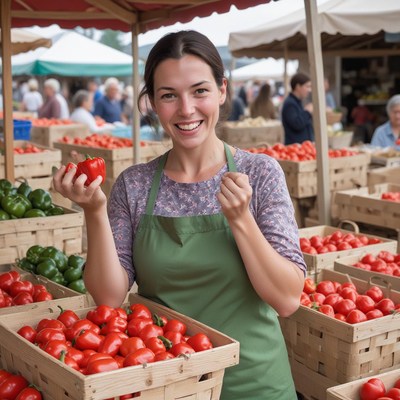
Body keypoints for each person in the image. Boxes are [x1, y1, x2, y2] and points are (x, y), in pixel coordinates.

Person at [53, 30, 306, 400]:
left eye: (200, 91)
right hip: (168, 385)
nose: (186, 109)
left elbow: (287, 299)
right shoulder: (134, 185)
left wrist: (240, 219)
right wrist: (94, 210)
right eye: (169, 95)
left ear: (222, 90)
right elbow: (108, 298)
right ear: (152, 103)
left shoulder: (261, 173)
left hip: (256, 383)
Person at [281, 73, 314, 145]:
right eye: (307, 86)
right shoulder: (290, 104)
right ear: (298, 86)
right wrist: (307, 112)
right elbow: (297, 124)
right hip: (295, 148)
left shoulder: (297, 102)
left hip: (302, 147)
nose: (309, 90)